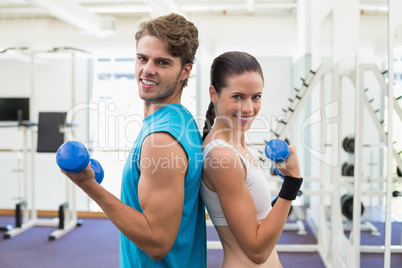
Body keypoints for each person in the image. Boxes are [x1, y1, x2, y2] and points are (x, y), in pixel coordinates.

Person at [60, 13, 206, 267]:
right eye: (142, 58)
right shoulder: (179, 120)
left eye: (162, 62)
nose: (147, 70)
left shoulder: (161, 139)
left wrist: (89, 186)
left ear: (185, 71)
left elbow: (157, 243)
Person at [200, 51, 303, 267]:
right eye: (237, 97)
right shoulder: (222, 157)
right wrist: (292, 181)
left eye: (256, 97)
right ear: (214, 94)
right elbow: (257, 250)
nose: (248, 108)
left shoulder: (235, 145)